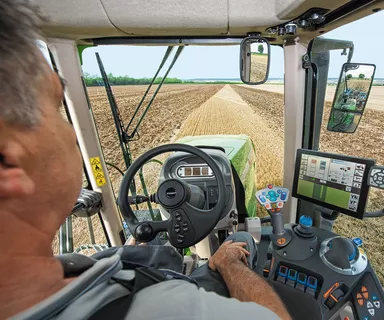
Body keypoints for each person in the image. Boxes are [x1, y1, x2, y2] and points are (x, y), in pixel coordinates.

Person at [0, 1, 291, 319]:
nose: (70, 131)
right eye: (57, 107)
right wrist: (228, 263)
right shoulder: (163, 308)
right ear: (8, 164)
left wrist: (132, 253)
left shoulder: (77, 266)